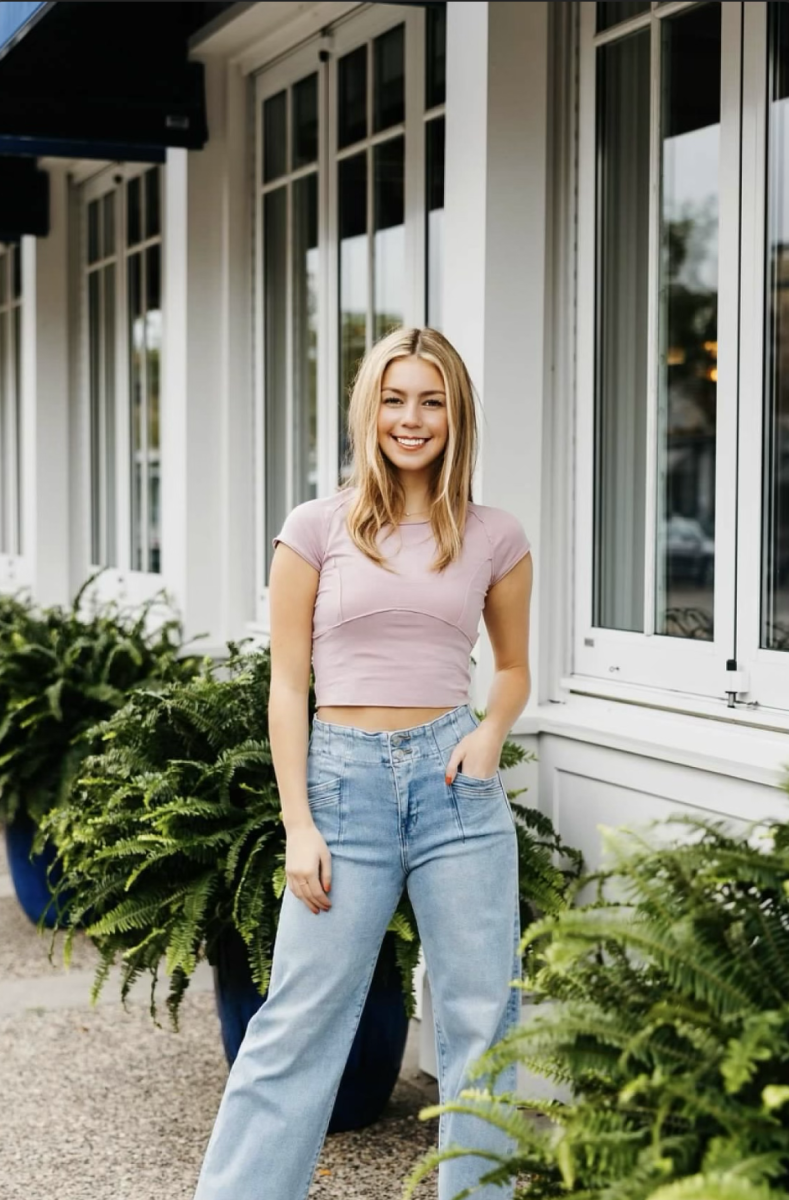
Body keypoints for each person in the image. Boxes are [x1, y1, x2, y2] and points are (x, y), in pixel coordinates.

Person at [193, 326, 533, 1200]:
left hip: (457, 788)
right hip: (343, 788)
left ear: (455, 415)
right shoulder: (315, 528)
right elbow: (286, 687)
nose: (410, 419)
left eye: (431, 401)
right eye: (394, 398)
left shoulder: (495, 536)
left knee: (478, 1018)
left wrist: (490, 731)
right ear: (367, 410)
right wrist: (297, 822)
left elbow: (512, 668)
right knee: (300, 1019)